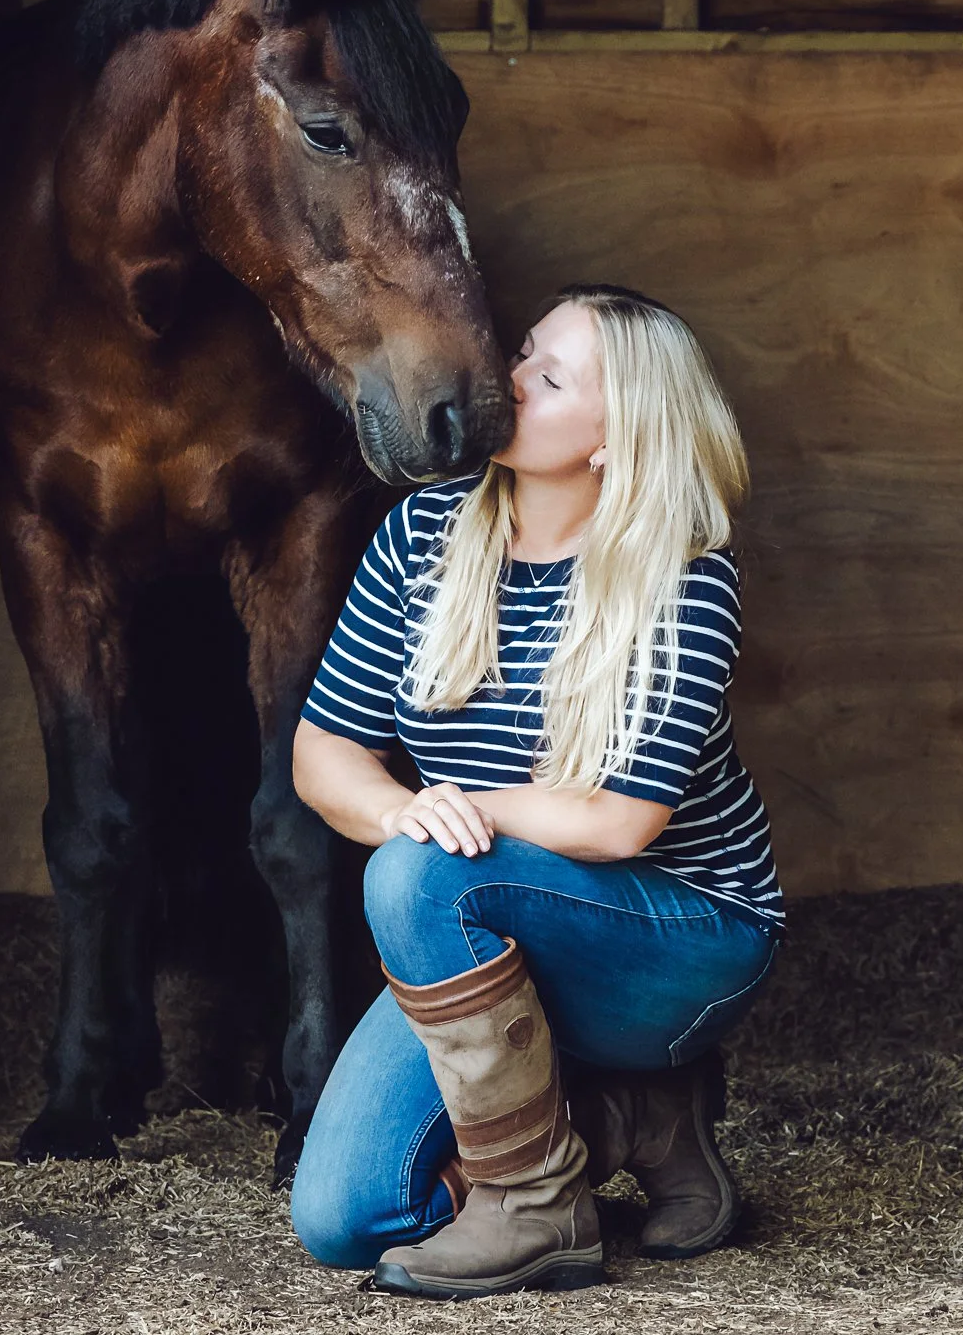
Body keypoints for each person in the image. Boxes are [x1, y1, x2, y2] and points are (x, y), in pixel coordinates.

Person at [286, 282, 784, 1299]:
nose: (504, 378)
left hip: (682, 940)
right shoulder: (423, 534)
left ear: (614, 436)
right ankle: (631, 1122)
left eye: (546, 378)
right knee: (344, 1218)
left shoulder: (682, 573)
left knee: (420, 876)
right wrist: (399, 810)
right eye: (520, 352)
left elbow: (618, 822)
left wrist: (443, 823)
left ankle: (534, 1206)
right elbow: (320, 754)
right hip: (485, 928)